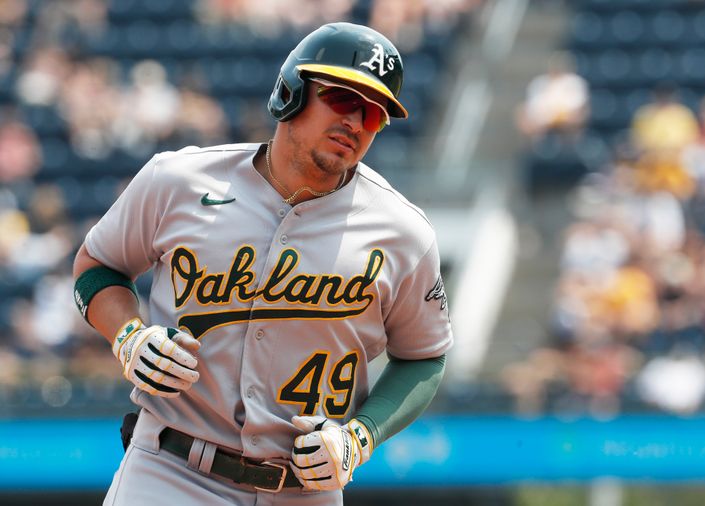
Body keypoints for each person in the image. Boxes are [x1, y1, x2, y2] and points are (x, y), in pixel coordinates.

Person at [72, 22, 453, 505]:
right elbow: (97, 264)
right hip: (172, 471)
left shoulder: (403, 233)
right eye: (342, 99)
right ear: (291, 92)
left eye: (375, 114)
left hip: (306, 489)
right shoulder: (178, 180)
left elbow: (425, 356)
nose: (356, 122)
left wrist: (361, 435)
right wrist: (128, 336)